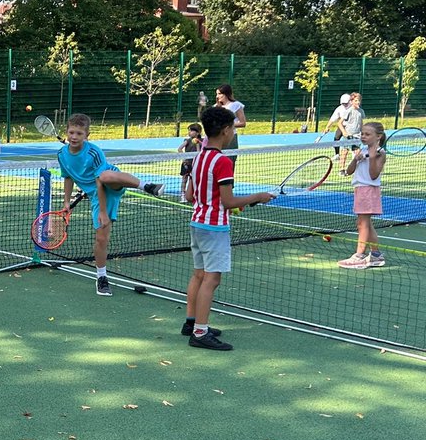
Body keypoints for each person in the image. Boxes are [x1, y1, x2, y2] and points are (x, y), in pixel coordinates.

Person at [183, 106, 276, 350]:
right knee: (212, 279)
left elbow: (190, 195)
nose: (234, 132)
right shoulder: (223, 161)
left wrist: (226, 204)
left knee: (199, 275)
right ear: (225, 130)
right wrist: (258, 196)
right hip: (214, 228)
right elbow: (228, 201)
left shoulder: (199, 156)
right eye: (233, 128)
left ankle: (192, 323)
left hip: (197, 223)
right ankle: (200, 333)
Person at [57, 114, 165, 296]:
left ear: (87, 135)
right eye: (71, 132)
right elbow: (68, 177)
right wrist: (66, 201)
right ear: (66, 132)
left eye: (79, 133)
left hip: (109, 184)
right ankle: (101, 277)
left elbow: (100, 181)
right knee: (101, 239)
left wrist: (103, 212)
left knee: (105, 175)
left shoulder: (94, 152)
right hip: (95, 196)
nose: (74, 137)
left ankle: (147, 186)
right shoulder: (62, 155)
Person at [338, 121, 386, 269]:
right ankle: (376, 255)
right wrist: (355, 159)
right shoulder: (362, 150)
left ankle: (359, 256)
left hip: (368, 190)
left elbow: (373, 175)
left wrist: (372, 157)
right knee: (364, 223)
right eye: (362, 134)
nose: (363, 136)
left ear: (378, 137)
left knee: (363, 224)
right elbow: (349, 171)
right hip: (359, 189)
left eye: (367, 134)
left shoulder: (381, 154)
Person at [322, 92, 365, 171]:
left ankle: (357, 169)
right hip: (348, 134)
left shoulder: (361, 111)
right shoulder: (347, 111)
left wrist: (363, 132)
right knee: (344, 151)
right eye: (356, 100)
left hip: (357, 135)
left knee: (357, 152)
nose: (358, 102)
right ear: (351, 101)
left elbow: (361, 123)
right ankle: (341, 169)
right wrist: (344, 132)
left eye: (359, 100)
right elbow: (338, 122)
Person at [214, 85, 246, 162]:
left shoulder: (236, 105)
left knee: (229, 161)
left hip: (230, 137)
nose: (217, 96)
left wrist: (226, 125)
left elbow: (243, 123)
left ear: (226, 94)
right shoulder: (215, 107)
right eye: (217, 94)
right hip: (217, 137)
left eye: (219, 94)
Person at [177, 123, 203, 203]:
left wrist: (198, 143)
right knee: (184, 179)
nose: (189, 132)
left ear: (197, 132)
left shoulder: (201, 141)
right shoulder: (187, 140)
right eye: (189, 131)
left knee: (195, 179)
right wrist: (184, 158)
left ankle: (195, 195)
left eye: (191, 131)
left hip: (196, 163)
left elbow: (199, 152)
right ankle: (183, 195)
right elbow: (179, 149)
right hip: (187, 163)